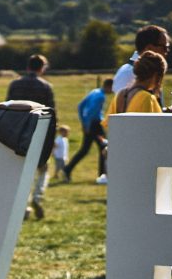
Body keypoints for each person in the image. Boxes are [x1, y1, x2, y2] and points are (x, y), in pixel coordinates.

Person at [99, 51, 167, 186]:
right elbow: (153, 135)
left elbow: (109, 126)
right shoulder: (147, 98)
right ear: (155, 76)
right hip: (140, 166)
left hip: (119, 163)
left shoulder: (120, 95)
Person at [7, 53, 56, 220]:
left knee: (21, 172)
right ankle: (37, 197)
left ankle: (24, 207)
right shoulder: (45, 86)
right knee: (43, 169)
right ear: (42, 68)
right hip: (39, 132)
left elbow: (8, 108)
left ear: (28, 67)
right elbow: (51, 113)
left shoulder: (15, 84)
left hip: (18, 133)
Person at [64, 78, 112, 182]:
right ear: (108, 86)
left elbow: (80, 106)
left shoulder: (94, 92)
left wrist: (83, 122)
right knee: (104, 148)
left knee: (85, 149)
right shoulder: (101, 96)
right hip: (95, 124)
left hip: (89, 123)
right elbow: (92, 112)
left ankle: (68, 168)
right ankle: (103, 175)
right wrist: (88, 125)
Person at [114, 25, 171, 94]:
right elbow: (124, 104)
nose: (167, 51)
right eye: (164, 47)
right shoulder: (127, 73)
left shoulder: (151, 72)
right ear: (149, 48)